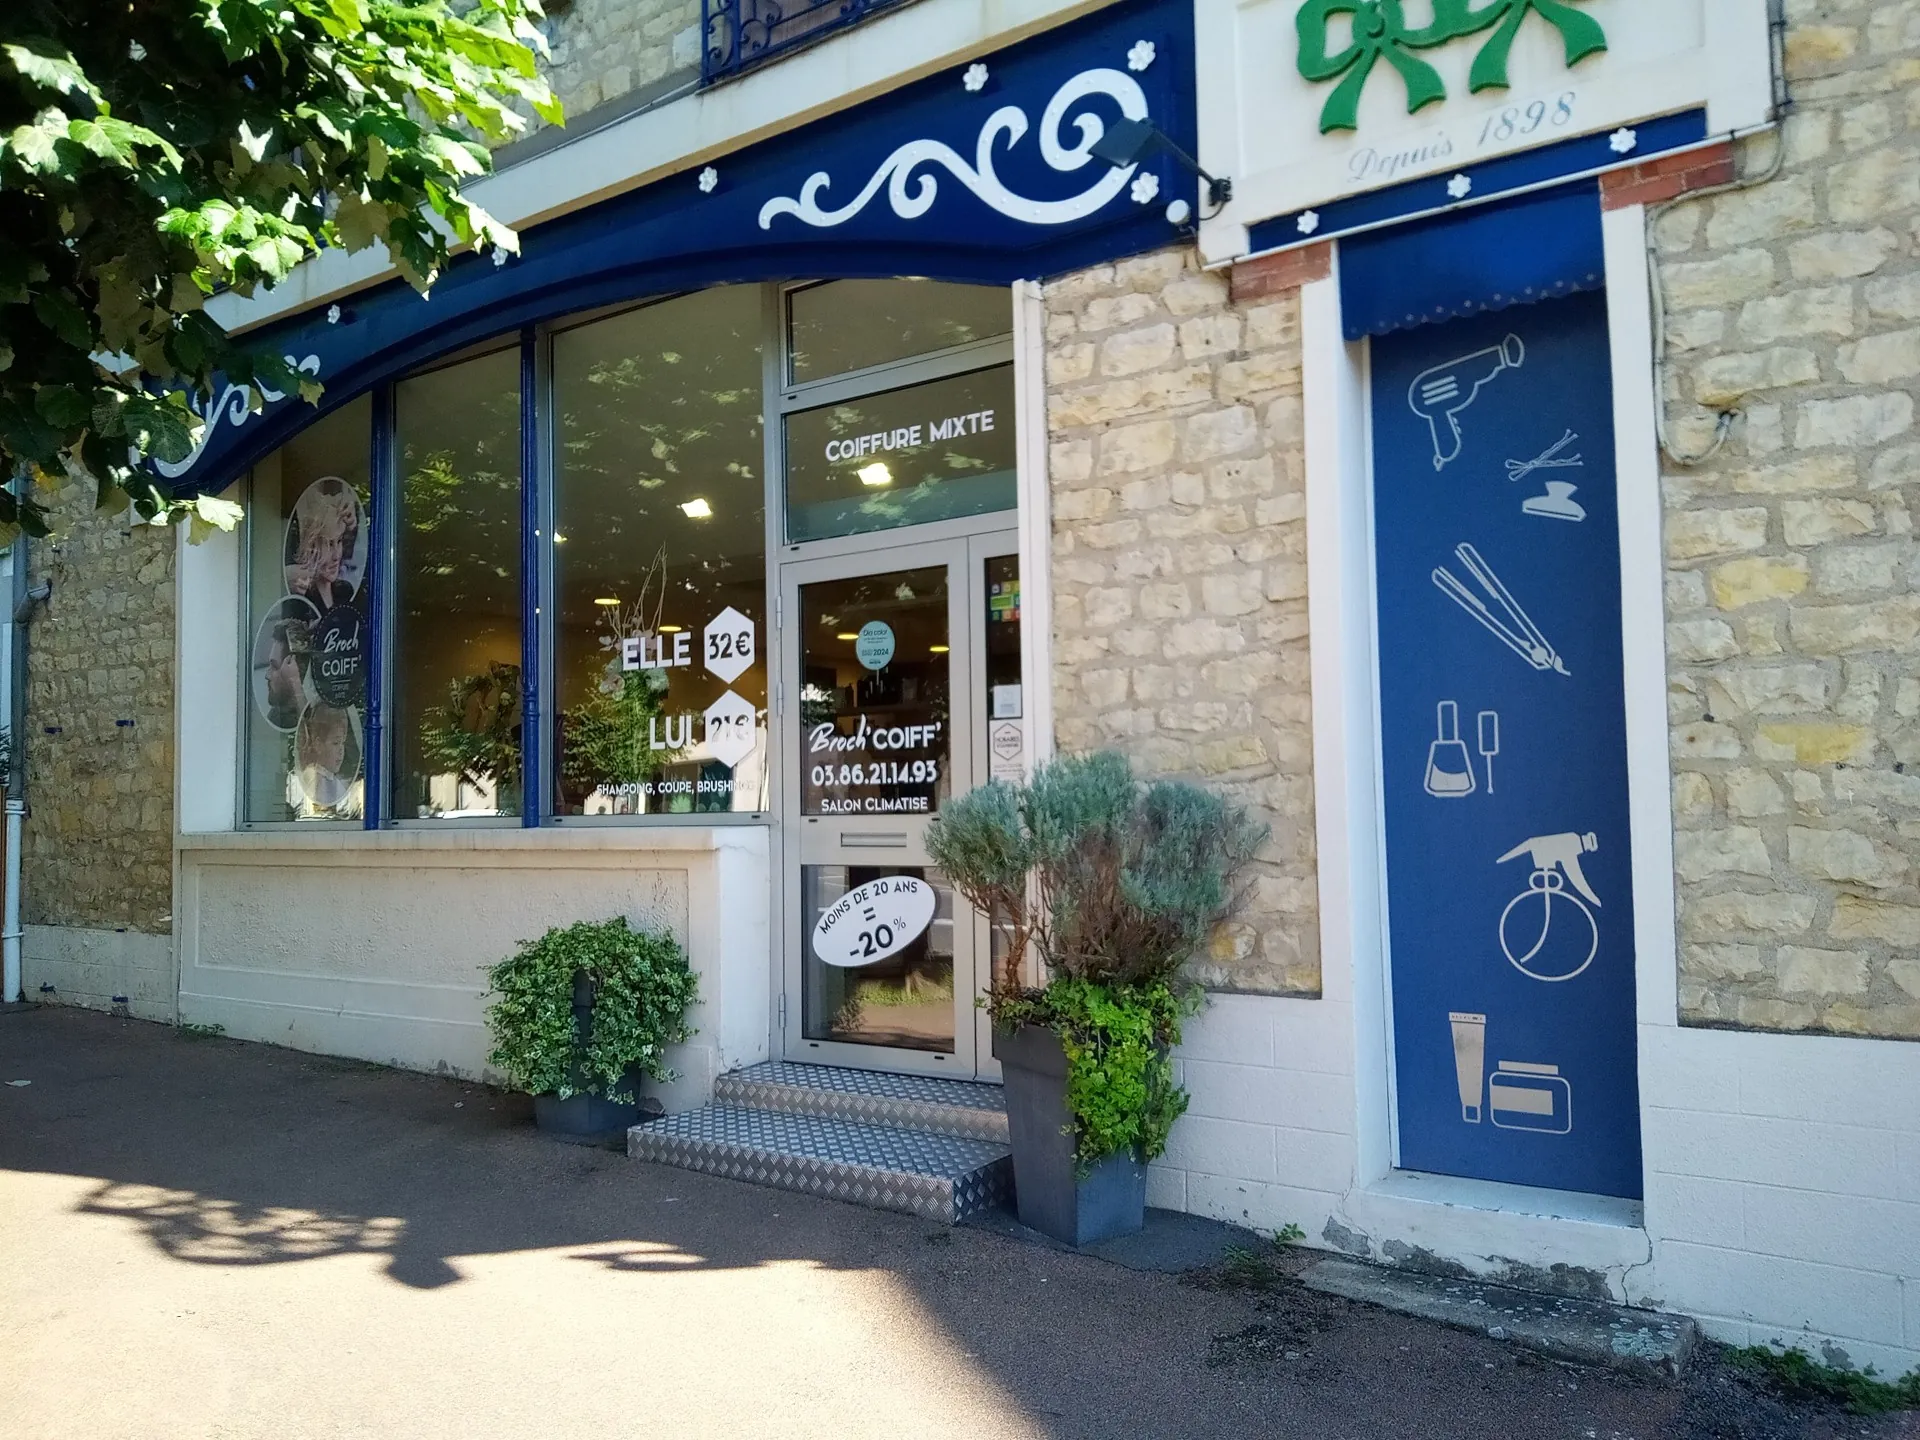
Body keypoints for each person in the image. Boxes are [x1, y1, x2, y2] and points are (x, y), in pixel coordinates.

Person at [285, 478, 362, 610]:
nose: (336, 555)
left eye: (339, 541)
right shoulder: (301, 603)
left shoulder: (346, 591)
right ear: (311, 547)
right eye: (328, 544)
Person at [297, 703, 356, 811]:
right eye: (335, 743)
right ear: (318, 744)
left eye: (342, 743)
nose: (341, 750)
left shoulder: (335, 781)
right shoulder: (314, 780)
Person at [260, 621, 307, 731]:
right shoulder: (275, 718)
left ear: (295, 669)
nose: (267, 675)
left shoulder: (320, 713)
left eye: (275, 667)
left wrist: (295, 684)